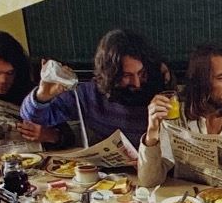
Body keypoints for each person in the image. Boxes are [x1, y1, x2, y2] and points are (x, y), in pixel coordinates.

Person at [137, 46, 222, 196]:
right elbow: (149, 181)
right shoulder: (176, 115)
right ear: (200, 82)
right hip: (190, 202)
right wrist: (152, 131)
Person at [20, 28, 173, 150]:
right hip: (113, 174)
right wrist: (42, 95)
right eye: (126, 75)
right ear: (110, 74)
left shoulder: (161, 87)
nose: (137, 83)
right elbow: (34, 118)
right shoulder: (90, 93)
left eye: (141, 73)